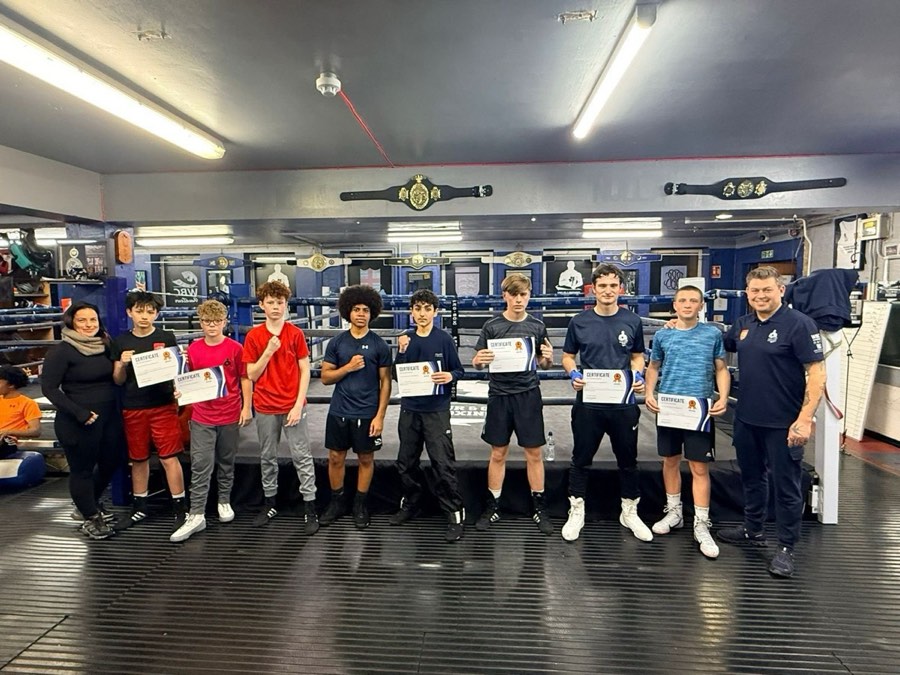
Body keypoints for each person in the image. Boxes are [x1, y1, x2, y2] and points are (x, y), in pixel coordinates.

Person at [717, 266, 825, 578]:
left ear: (781, 290)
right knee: (751, 477)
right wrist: (680, 324)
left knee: (787, 485)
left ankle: (787, 547)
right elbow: (722, 343)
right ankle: (753, 529)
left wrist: (804, 419)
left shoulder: (799, 325)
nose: (761, 296)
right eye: (755, 291)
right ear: (747, 294)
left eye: (767, 290)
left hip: (784, 422)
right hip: (747, 418)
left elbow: (816, 373)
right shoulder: (744, 324)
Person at [561, 263, 652, 542]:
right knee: (581, 458)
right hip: (589, 402)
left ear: (620, 289)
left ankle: (630, 510)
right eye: (602, 286)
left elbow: (637, 355)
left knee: (628, 459)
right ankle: (576, 510)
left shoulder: (632, 321)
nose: (608, 291)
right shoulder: (579, 321)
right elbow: (567, 355)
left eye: (613, 285)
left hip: (623, 402)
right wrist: (573, 372)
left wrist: (638, 374)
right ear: (593, 289)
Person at [644, 286, 731, 559]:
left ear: (701, 305)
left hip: (699, 408)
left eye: (693, 300)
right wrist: (649, 393)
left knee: (699, 466)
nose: (687, 304)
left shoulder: (712, 334)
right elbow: (653, 367)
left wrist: (724, 397)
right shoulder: (663, 334)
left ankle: (702, 523)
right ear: (674, 304)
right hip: (669, 407)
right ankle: (674, 513)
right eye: (682, 300)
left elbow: (721, 368)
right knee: (670, 460)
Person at [472, 272, 554, 534]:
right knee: (498, 453)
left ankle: (539, 507)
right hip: (499, 395)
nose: (519, 300)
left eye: (524, 294)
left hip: (528, 395)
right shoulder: (492, 326)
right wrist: (479, 359)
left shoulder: (537, 327)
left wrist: (548, 357)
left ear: (529, 296)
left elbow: (543, 363)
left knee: (534, 453)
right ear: (504, 295)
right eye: (514, 294)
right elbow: (477, 361)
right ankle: (492, 505)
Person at [41, 302, 125, 539]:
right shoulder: (62, 351)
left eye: (93, 320)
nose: (88, 325)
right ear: (71, 322)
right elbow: (49, 388)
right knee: (82, 470)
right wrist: (79, 413)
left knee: (111, 462)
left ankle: (89, 505)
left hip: (108, 417)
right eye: (82, 320)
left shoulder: (106, 345)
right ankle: (90, 516)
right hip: (77, 420)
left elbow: (118, 377)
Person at [170, 300, 252, 542]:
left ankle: (224, 501)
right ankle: (196, 514)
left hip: (229, 413)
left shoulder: (235, 348)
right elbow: (186, 380)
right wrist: (179, 392)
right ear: (201, 323)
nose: (212, 326)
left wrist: (247, 407)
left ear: (225, 322)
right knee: (200, 464)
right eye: (207, 321)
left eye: (217, 321)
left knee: (227, 461)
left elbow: (245, 378)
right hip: (202, 415)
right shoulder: (193, 349)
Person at [389, 289, 466, 541]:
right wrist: (400, 351)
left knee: (442, 463)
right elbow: (395, 375)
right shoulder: (405, 340)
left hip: (436, 411)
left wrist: (450, 376)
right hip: (410, 409)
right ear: (411, 312)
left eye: (427, 309)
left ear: (435, 312)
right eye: (417, 309)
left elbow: (459, 370)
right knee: (406, 462)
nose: (422, 314)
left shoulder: (443, 339)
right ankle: (411, 504)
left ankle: (453, 512)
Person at [243, 281, 318, 532]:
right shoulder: (254, 336)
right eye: (271, 302)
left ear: (286, 305)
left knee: (302, 455)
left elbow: (305, 369)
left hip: (292, 404)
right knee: (267, 455)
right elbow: (251, 374)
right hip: (265, 405)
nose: (276, 307)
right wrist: (268, 351)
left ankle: (310, 506)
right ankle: (270, 502)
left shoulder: (295, 333)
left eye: (280, 302)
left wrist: (298, 404)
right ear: (262, 305)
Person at [111, 291, 187, 534]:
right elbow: (117, 379)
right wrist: (122, 364)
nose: (145, 316)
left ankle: (180, 507)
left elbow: (177, 371)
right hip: (133, 406)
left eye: (150, 312)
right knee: (139, 458)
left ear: (156, 314)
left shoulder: (166, 336)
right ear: (129, 312)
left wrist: (180, 390)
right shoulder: (121, 341)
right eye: (140, 311)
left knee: (169, 457)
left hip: (163, 405)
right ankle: (140, 506)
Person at [319, 284, 392, 529]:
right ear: (348, 312)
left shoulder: (380, 345)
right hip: (339, 410)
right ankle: (337, 502)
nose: (361, 314)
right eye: (356, 309)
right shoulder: (337, 343)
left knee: (365, 459)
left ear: (372, 313)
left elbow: (385, 382)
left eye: (365, 310)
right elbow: (326, 377)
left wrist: (380, 416)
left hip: (367, 411)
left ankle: (360, 504)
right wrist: (347, 367)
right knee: (335, 457)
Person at [0, 365, 42, 453]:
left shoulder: (27, 403)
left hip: (7, 442)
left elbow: (35, 431)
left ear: (11, 385)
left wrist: (8, 432)